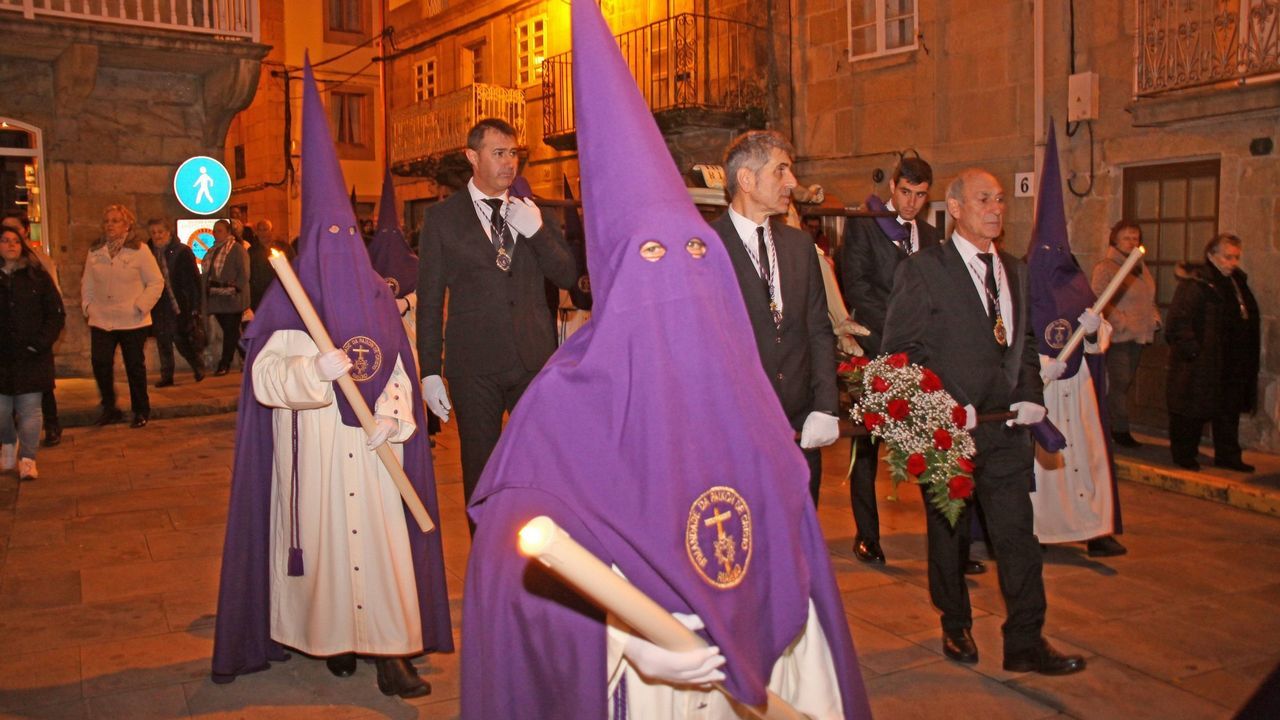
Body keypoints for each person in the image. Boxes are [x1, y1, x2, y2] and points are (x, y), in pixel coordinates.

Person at [460, 2, 872, 717]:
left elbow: (792, 541)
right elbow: (508, 555)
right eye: (650, 256)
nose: (674, 274)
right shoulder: (563, 400)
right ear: (618, 279)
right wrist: (617, 640)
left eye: (691, 253)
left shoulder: (744, 395)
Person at [211, 59, 452, 698]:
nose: (343, 244)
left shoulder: (376, 297)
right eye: (331, 234)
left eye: (351, 233)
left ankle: (391, 655)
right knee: (323, 556)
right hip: (312, 456)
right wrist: (311, 372)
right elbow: (264, 379)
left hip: (373, 458)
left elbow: (400, 367)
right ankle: (333, 642)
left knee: (380, 555)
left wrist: (398, 420)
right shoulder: (288, 303)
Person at [881, 168, 1085, 675]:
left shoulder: (1015, 269)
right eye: (982, 200)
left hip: (1006, 431)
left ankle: (1025, 640)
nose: (995, 208)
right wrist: (942, 404)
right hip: (949, 432)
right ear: (954, 208)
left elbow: (1027, 342)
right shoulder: (925, 269)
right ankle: (955, 623)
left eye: (999, 200)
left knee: (1017, 537)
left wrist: (1033, 396)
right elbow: (899, 354)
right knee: (949, 535)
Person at [415, 117, 576, 521]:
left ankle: (538, 556)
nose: (510, 163)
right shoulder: (441, 220)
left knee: (539, 464)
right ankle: (488, 560)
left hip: (532, 360)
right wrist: (430, 369)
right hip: (475, 367)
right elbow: (431, 301)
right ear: (472, 156)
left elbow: (568, 276)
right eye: (499, 153)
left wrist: (537, 233)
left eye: (514, 153)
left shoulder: (533, 213)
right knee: (481, 471)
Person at [709, 130, 839, 507]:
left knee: (799, 546)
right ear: (747, 180)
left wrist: (826, 406)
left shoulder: (800, 247)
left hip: (800, 431)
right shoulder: (706, 247)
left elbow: (818, 329)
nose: (792, 183)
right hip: (733, 434)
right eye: (780, 171)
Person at [838, 157, 943, 565]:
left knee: (932, 445)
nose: (912, 203)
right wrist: (896, 337)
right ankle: (867, 535)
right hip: (876, 348)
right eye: (905, 193)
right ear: (893, 186)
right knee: (866, 448)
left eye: (920, 195)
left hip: (921, 354)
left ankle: (944, 541)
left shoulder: (932, 237)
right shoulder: (866, 225)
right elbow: (859, 286)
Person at [1028, 127, 1125, 558]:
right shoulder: (1022, 282)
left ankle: (1095, 528)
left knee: (1088, 458)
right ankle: (1043, 532)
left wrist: (1092, 331)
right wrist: (1037, 364)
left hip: (1078, 390)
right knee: (1046, 469)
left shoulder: (1079, 284)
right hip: (1046, 389)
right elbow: (1009, 334)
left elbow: (1101, 334)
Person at [1165, 233, 1260, 472]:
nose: (1232, 263)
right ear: (1211, 255)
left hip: (1231, 359)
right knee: (1192, 409)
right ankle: (1185, 453)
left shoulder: (1237, 282)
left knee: (1228, 409)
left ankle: (1228, 454)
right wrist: (1193, 351)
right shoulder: (1198, 283)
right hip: (1202, 360)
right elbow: (1179, 321)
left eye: (1236, 257)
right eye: (1227, 257)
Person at [81, 204, 164, 428]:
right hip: (101, 317)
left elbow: (156, 282)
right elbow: (87, 281)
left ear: (127, 224)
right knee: (100, 362)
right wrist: (87, 306)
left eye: (116, 220)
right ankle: (110, 407)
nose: (110, 225)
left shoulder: (139, 250)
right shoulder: (95, 251)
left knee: (134, 365)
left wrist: (141, 305)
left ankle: (140, 409)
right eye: (107, 220)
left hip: (132, 319)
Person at [1, 226, 65, 481]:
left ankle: (28, 458)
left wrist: (40, 343)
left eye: (15, 241)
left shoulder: (36, 276)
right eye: (5, 241)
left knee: (30, 409)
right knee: (2, 410)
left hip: (32, 355)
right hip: (3, 357)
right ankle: (8, 441)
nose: (11, 245)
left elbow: (55, 313)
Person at [1091, 221, 1160, 448]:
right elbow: (1099, 300)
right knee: (1118, 383)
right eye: (1127, 238)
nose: (1132, 242)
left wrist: (1153, 315)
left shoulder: (1139, 266)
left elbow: (1146, 295)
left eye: (1135, 238)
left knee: (1126, 382)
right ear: (1115, 240)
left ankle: (1117, 426)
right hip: (1120, 336)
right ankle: (1118, 429)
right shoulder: (1107, 267)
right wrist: (1121, 321)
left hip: (1139, 334)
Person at [147, 218, 205, 386]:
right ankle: (167, 375)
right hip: (158, 302)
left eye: (160, 232)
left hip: (178, 301)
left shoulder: (182, 251)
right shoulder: (148, 252)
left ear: (168, 232)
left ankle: (196, 364)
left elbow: (193, 280)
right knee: (162, 339)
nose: (157, 236)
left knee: (180, 338)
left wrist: (195, 305)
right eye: (153, 233)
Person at [203, 219, 250, 376]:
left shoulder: (236, 249)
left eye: (220, 230)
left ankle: (225, 363)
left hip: (232, 298)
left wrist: (236, 287)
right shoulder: (213, 250)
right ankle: (248, 358)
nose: (216, 233)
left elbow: (244, 273)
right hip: (217, 298)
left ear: (229, 232)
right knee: (233, 333)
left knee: (230, 332)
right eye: (214, 230)